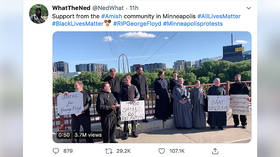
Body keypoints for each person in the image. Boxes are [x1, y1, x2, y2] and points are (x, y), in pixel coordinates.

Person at [119, 75, 140, 139]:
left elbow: (138, 95)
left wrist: (136, 99)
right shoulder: (123, 87)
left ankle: (134, 132)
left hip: (132, 105)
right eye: (125, 80)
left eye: (127, 80)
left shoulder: (134, 87)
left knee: (133, 120)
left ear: (130, 80)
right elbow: (119, 96)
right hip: (126, 106)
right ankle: (126, 133)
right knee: (126, 121)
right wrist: (121, 100)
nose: (126, 81)